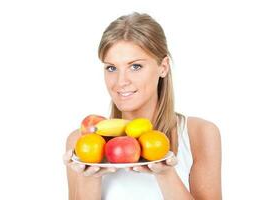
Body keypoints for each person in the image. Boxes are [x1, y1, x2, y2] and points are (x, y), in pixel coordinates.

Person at [63, 12, 222, 200]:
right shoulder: (82, 142)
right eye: (111, 68)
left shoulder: (198, 134)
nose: (121, 81)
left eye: (135, 66)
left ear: (163, 67)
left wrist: (165, 174)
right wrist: (89, 178)